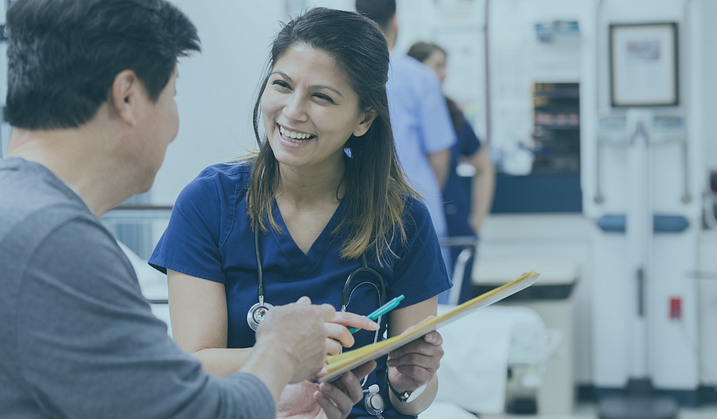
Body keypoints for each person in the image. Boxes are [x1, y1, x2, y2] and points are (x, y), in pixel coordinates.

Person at [0, 0, 338, 418]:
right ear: (127, 97)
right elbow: (193, 413)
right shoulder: (53, 243)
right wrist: (281, 349)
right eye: (172, 96)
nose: (175, 125)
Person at [149, 7, 448, 419]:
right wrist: (288, 355)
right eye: (282, 85)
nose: (292, 111)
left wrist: (409, 384)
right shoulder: (209, 203)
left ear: (364, 118)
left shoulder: (403, 219)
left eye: (321, 96)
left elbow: (414, 397)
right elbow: (193, 365)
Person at [355, 0, 457, 277]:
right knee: (428, 313)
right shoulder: (421, 77)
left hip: (359, 213)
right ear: (396, 20)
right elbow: (439, 158)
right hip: (417, 211)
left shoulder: (349, 74)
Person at [407, 41, 496, 303]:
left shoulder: (451, 113)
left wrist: (477, 221)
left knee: (456, 308)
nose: (444, 73)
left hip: (454, 225)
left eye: (445, 66)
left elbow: (484, 167)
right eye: (437, 65)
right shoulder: (399, 111)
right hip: (416, 223)